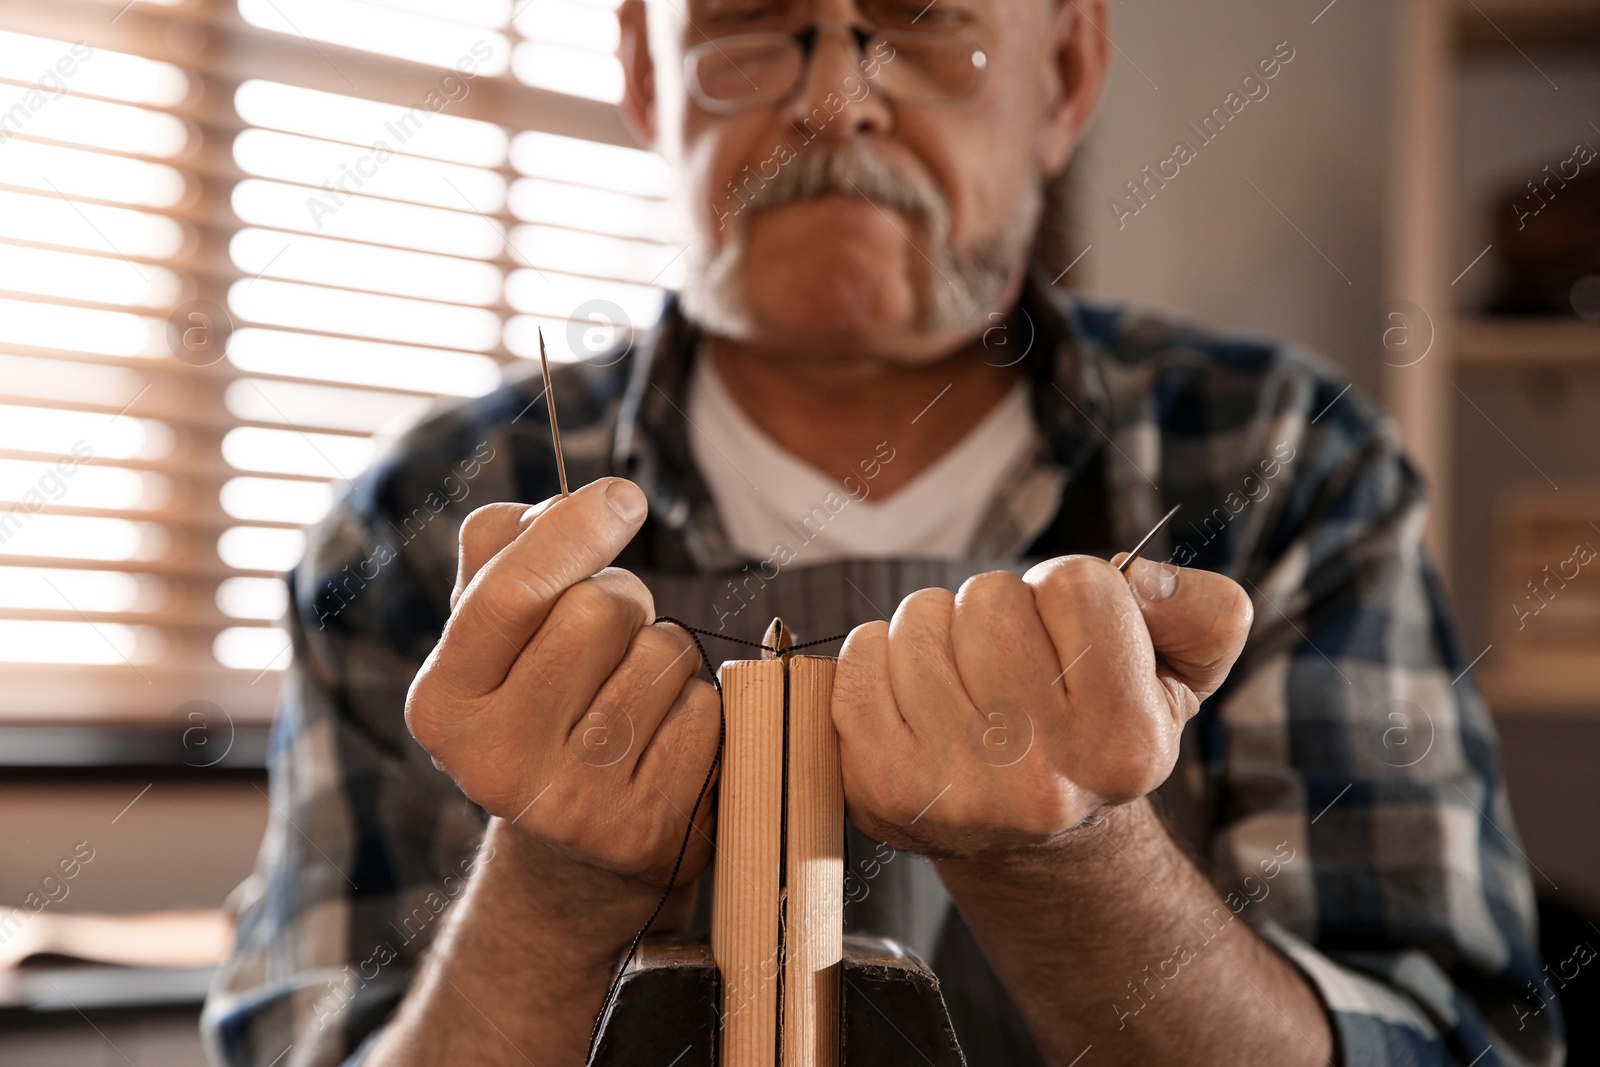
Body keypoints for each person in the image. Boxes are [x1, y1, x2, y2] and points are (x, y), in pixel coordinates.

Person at [201, 1, 1564, 1065]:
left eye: (925, 23)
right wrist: (550, 892)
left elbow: (1453, 1046)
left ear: (1068, 75)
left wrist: (1074, 870)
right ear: (641, 70)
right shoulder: (414, 531)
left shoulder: (1277, 469)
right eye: (747, 24)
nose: (837, 101)